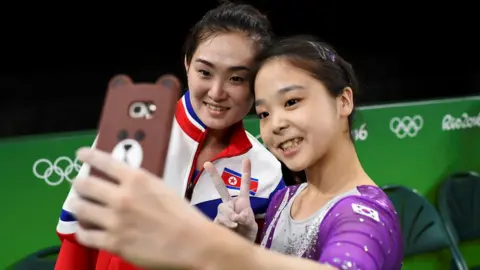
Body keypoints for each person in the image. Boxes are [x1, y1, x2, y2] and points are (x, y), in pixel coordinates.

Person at [68, 35, 403, 270]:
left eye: (292, 102)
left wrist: (207, 244)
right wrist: (244, 242)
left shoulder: (364, 214)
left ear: (343, 101)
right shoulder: (284, 201)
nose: (276, 125)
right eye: (265, 113)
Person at [54, 3, 285, 270]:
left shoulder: (266, 173)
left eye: (236, 79)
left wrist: (239, 247)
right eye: (205, 72)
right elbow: (77, 245)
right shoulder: (132, 134)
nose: (217, 92)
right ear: (187, 63)